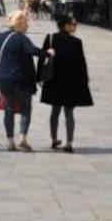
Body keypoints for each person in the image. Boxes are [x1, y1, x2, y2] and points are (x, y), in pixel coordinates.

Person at [0, 10, 50, 152]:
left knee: (8, 109)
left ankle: (10, 141)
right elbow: (32, 51)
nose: (27, 25)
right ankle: (22, 137)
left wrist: (7, 59)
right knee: (26, 109)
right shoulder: (21, 38)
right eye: (26, 22)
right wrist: (48, 53)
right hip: (22, 79)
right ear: (20, 23)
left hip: (4, 79)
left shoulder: (1, 37)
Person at [40, 13, 93, 153]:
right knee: (69, 112)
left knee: (54, 111)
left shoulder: (50, 39)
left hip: (54, 81)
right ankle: (69, 142)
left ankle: (54, 139)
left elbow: (42, 58)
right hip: (71, 81)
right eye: (74, 24)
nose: (75, 26)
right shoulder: (76, 42)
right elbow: (81, 63)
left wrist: (39, 77)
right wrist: (85, 80)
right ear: (66, 26)